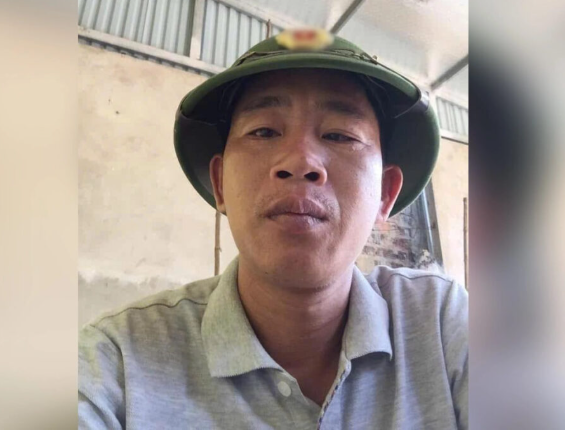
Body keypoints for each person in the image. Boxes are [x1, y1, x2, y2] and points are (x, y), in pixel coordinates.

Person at [79, 28, 468, 430]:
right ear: (220, 184)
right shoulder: (116, 366)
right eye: (263, 131)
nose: (300, 161)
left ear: (385, 194)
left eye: (339, 135)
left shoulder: (442, 326)